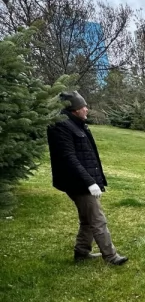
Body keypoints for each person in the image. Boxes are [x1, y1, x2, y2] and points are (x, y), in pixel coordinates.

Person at [47, 91, 128, 265]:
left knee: (87, 218)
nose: (87, 109)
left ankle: (82, 252)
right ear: (74, 109)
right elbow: (69, 158)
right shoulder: (62, 126)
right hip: (76, 182)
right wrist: (89, 182)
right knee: (97, 219)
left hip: (83, 179)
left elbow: (88, 155)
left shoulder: (78, 124)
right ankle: (111, 256)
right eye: (83, 106)